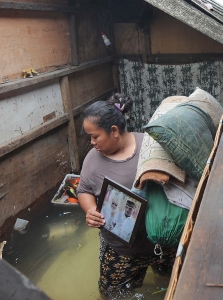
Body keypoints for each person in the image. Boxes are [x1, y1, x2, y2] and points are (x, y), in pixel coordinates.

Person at [76, 94, 176, 298]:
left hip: (163, 244)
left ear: (113, 131)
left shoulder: (151, 147)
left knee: (169, 282)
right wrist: (90, 210)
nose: (92, 142)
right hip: (120, 250)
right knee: (112, 293)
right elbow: (84, 189)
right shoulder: (92, 160)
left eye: (95, 136)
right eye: (89, 137)